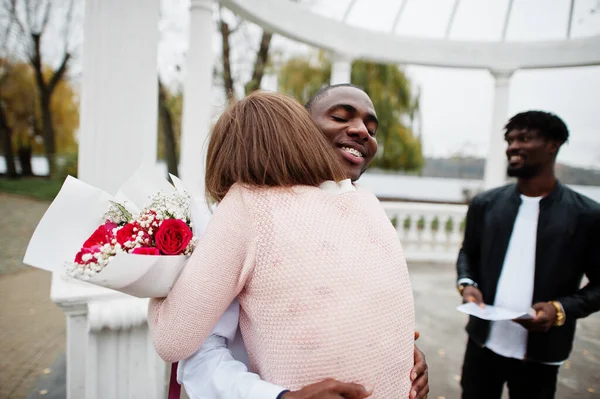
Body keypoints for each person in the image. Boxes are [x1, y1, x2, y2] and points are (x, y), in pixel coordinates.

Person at [149, 91, 418, 398]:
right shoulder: (366, 203)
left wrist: (159, 275)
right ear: (304, 135)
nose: (360, 132)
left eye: (371, 130)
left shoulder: (245, 206)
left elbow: (172, 339)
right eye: (341, 118)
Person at [456, 110, 600, 399]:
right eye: (509, 140)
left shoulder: (587, 215)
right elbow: (467, 254)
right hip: (483, 345)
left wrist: (559, 309)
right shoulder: (486, 203)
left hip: (541, 356)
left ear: (553, 144)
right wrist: (467, 284)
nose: (513, 146)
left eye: (524, 138)